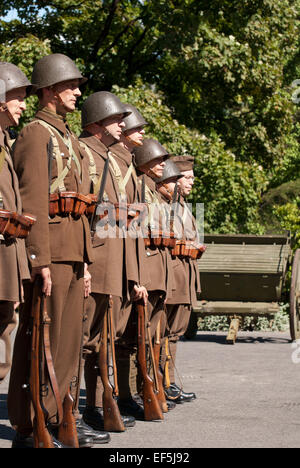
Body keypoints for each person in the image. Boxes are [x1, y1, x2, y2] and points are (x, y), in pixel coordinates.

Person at [7, 53, 101, 448]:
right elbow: (31, 203)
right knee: (40, 339)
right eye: (70, 86)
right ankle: (31, 424)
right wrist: (39, 260)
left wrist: (87, 260)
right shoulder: (35, 134)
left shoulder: (68, 137)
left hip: (73, 253)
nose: (78, 93)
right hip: (52, 255)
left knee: (66, 344)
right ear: (49, 90)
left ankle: (57, 415)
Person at [79, 91, 149, 429]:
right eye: (117, 120)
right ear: (98, 121)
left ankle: (96, 405)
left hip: (117, 261)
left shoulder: (120, 161)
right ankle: (82, 408)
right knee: (85, 340)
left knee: (104, 339)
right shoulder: (94, 153)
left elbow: (130, 226)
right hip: (99, 258)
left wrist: (134, 275)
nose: (125, 126)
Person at [132, 138, 177, 412]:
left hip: (157, 270)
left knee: (152, 336)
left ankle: (146, 389)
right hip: (147, 269)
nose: (163, 165)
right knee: (136, 337)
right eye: (158, 160)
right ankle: (132, 394)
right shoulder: (141, 189)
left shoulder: (153, 193)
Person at [0, 62, 32, 384]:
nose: (24, 105)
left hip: (9, 257)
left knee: (4, 330)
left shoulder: (6, 142)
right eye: (17, 96)